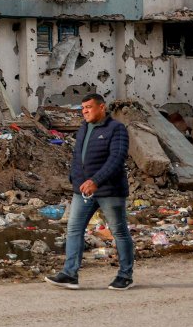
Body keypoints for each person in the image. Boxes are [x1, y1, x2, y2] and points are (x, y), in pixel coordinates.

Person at [45, 93, 135, 291]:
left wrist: (96, 181)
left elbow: (117, 158)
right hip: (83, 191)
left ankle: (125, 275)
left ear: (102, 107)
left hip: (110, 191)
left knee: (119, 232)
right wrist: (75, 179)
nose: (84, 111)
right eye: (83, 108)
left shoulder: (116, 128)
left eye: (89, 107)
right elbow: (78, 156)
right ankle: (70, 275)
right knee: (74, 229)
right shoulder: (84, 128)